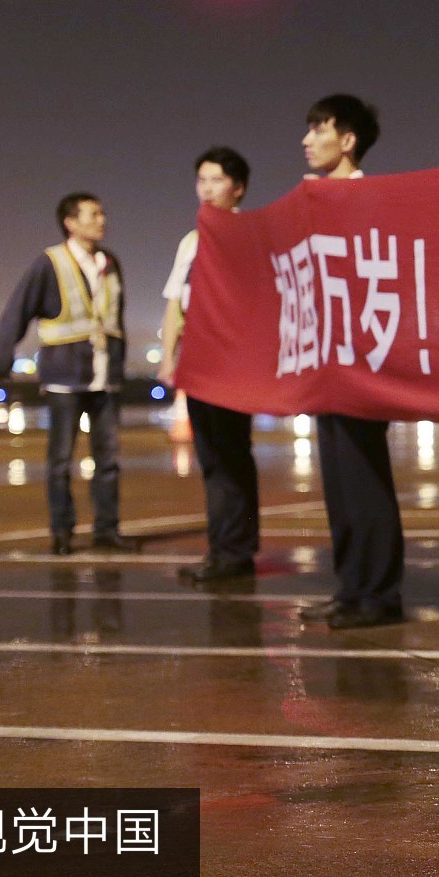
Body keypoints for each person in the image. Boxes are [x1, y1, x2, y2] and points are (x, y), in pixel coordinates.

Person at [293, 94, 408, 630]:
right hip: (324, 361)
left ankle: (379, 594)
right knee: (338, 481)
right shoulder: (309, 204)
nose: (307, 140)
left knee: (364, 478)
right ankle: (351, 587)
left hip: (362, 361)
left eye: (319, 129)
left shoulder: (372, 200)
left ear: (347, 140)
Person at [0, 192, 140, 555]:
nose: (102, 220)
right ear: (70, 223)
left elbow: (114, 318)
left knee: (108, 460)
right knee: (60, 461)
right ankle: (62, 531)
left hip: (105, 376)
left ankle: (107, 530)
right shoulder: (50, 262)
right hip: (64, 377)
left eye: (102, 213)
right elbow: (19, 308)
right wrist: (2, 356)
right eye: (93, 214)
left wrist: (119, 364)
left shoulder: (110, 262)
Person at [159, 146, 261, 586]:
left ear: (238, 188)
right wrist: (169, 357)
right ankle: (222, 550)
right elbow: (174, 304)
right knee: (211, 459)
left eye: (216, 179)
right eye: (201, 180)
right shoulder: (191, 240)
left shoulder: (248, 233)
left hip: (231, 364)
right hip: (196, 363)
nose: (206, 188)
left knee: (231, 454)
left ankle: (236, 552)